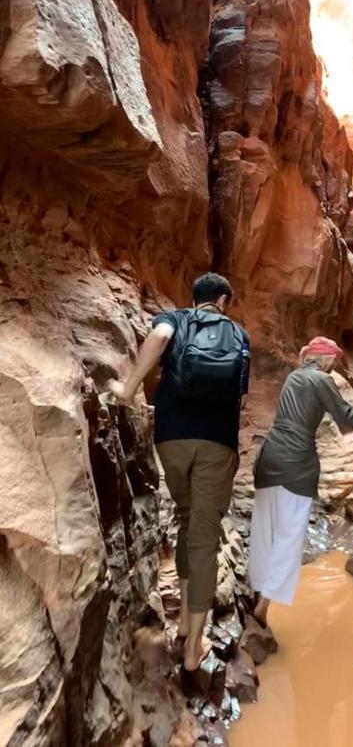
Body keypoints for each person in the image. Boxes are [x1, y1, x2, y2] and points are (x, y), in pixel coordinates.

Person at [108, 272, 250, 672]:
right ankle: (192, 649)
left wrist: (131, 386)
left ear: (195, 298)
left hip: (172, 439)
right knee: (204, 538)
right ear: (222, 300)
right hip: (216, 443)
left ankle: (186, 621)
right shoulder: (238, 334)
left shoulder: (175, 317)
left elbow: (159, 339)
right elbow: (237, 394)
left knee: (187, 521)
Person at [248, 336, 353, 628]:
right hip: (295, 465)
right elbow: (345, 417)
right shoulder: (321, 380)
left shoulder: (295, 376)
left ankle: (256, 592)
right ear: (325, 359)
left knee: (266, 529)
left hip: (269, 459)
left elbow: (340, 410)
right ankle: (263, 607)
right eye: (333, 362)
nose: (333, 367)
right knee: (289, 537)